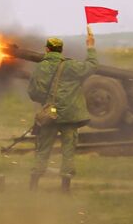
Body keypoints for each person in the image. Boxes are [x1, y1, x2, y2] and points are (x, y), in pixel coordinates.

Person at [27, 31, 99, 192]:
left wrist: (45, 102)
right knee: (68, 152)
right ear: (61, 50)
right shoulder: (71, 66)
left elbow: (33, 92)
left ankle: (33, 187)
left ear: (47, 50)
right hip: (70, 117)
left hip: (49, 116)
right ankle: (65, 189)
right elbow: (92, 66)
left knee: (43, 150)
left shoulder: (40, 67)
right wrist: (91, 47)